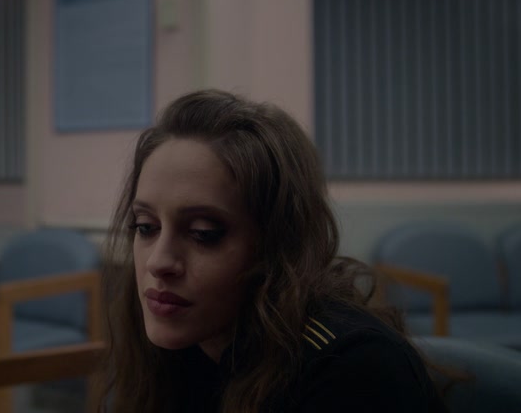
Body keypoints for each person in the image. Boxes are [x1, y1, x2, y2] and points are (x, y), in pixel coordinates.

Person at [94, 90, 448, 412]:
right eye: (146, 227)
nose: (158, 262)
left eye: (203, 234)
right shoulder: (181, 343)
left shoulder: (355, 370)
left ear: (277, 245)